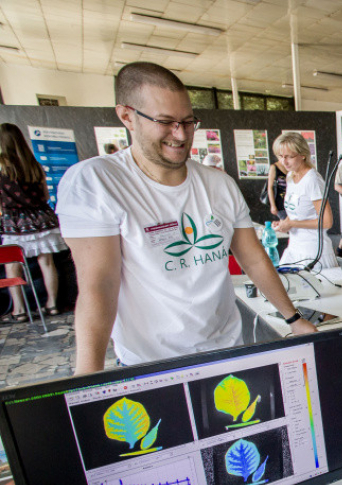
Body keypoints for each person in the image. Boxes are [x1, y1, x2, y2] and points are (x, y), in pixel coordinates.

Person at [56, 62, 315, 374]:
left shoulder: (218, 184)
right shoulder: (96, 182)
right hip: (151, 362)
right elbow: (99, 284)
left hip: (228, 349)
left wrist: (293, 318)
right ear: (127, 116)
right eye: (165, 122)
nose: (180, 135)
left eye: (188, 122)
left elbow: (253, 258)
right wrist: (88, 378)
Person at [0, 123, 68, 320]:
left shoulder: (2, 165)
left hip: (14, 222)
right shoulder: (33, 164)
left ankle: (20, 310)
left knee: (13, 265)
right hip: (42, 219)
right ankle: (52, 304)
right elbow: (45, 194)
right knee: (47, 263)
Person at [271, 132, 337, 270]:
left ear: (303, 155)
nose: (284, 161)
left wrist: (292, 223)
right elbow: (295, 212)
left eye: (289, 156)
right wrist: (285, 224)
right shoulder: (290, 176)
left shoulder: (312, 179)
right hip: (294, 248)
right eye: (281, 156)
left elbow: (326, 222)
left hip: (313, 252)